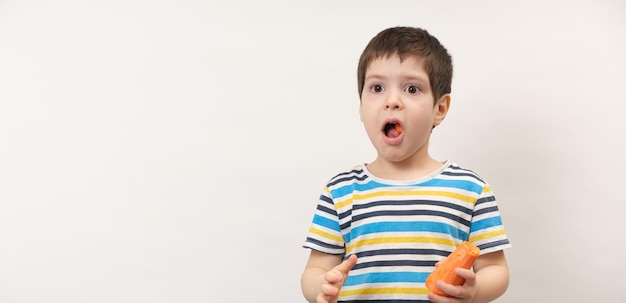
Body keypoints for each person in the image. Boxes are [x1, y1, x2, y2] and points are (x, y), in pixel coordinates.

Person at [300, 26, 512, 303]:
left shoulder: (471, 190)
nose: (392, 101)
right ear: (361, 106)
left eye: (412, 88)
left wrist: (475, 291)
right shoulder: (340, 192)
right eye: (377, 88)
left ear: (440, 109)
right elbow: (315, 269)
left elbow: (496, 269)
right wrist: (320, 285)